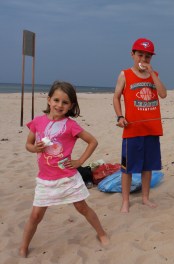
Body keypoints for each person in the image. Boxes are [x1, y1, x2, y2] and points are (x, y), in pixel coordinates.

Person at [19, 81, 109, 257]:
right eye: (56, 100)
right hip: (45, 179)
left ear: (71, 106)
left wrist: (79, 161)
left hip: (67, 177)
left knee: (82, 207)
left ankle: (102, 233)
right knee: (36, 215)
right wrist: (34, 148)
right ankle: (23, 247)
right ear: (49, 100)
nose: (59, 105)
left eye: (65, 102)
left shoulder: (71, 125)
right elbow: (28, 145)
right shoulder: (37, 122)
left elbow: (93, 141)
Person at [113, 38, 167, 212]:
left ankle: (145, 198)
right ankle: (125, 201)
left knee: (148, 166)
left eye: (147, 56)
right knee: (127, 168)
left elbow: (163, 94)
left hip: (151, 129)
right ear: (132, 54)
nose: (143, 59)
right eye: (140, 55)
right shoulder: (125, 74)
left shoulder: (154, 75)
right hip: (132, 130)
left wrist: (152, 73)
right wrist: (120, 116)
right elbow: (116, 97)